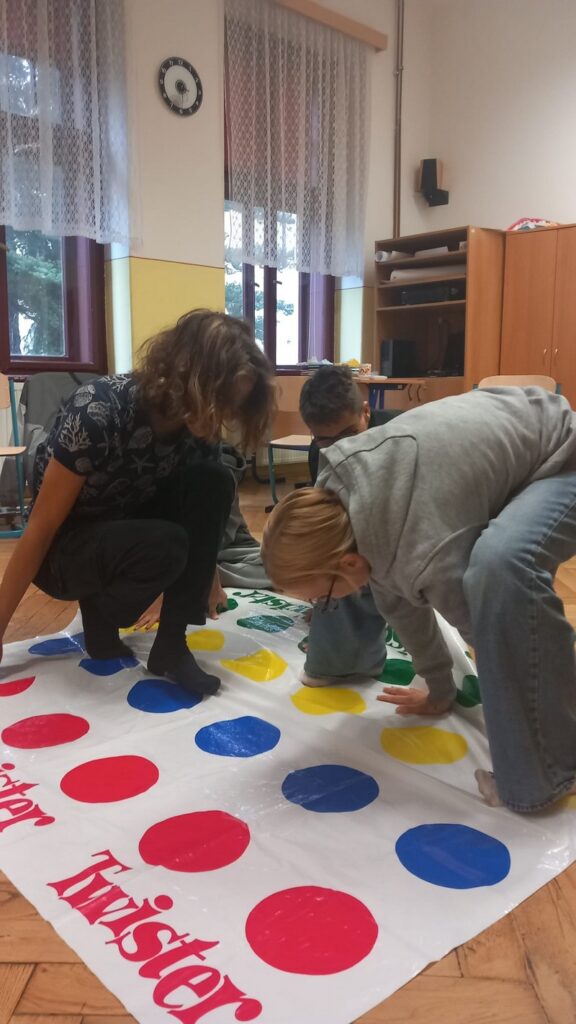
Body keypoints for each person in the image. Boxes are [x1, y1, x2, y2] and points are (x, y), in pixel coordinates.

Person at [261, 386, 576, 813]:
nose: (325, 605)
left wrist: (524, 769)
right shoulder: (347, 509)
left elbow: (500, 646)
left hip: (563, 452)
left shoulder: (425, 549)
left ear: (349, 565)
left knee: (500, 570)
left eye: (324, 599)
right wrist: (439, 690)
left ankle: (555, 769)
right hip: (520, 442)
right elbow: (400, 607)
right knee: (492, 582)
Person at [0, 309, 275, 697]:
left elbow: (204, 512)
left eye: (233, 406)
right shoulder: (99, 409)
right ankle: (101, 609)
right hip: (63, 554)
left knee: (214, 478)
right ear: (186, 376)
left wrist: (207, 581)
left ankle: (171, 647)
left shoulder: (198, 430)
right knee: (167, 545)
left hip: (123, 532)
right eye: (220, 400)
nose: (225, 416)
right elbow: (41, 528)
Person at [297, 365, 402, 686]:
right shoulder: (321, 451)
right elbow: (331, 520)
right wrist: (326, 592)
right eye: (324, 439)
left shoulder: (399, 434)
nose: (340, 448)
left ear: (365, 412)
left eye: (347, 435)